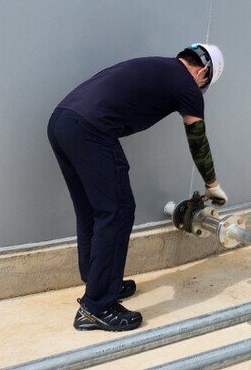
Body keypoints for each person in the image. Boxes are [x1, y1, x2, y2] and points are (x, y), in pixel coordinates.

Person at [47, 43, 229, 332]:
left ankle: (100, 282)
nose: (200, 90)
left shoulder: (157, 65)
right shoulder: (188, 84)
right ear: (203, 72)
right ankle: (96, 307)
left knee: (93, 209)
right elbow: (197, 140)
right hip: (92, 130)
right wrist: (212, 184)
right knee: (117, 211)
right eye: (204, 84)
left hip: (62, 121)